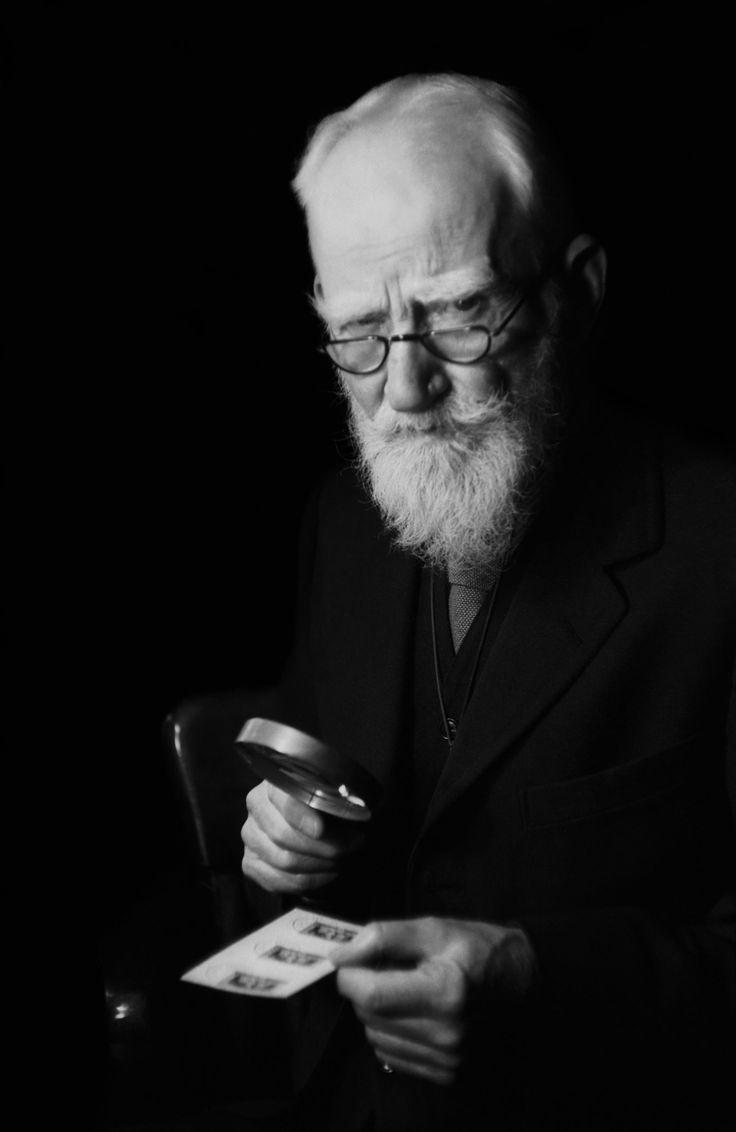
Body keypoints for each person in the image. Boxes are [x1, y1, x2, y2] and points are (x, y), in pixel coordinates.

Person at [234, 73, 736, 1131]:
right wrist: (281, 836)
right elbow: (311, 764)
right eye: (361, 331)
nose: (404, 392)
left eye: (461, 315)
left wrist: (532, 973)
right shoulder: (341, 519)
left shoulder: (717, 546)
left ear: (579, 292)